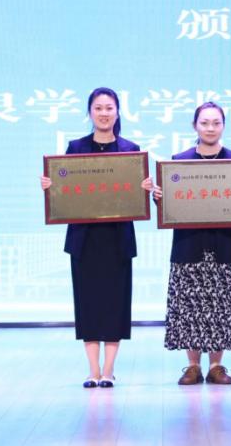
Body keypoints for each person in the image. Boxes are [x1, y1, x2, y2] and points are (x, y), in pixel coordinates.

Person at [40, 87, 153, 389]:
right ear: (90, 112)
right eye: (98, 108)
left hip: (118, 239)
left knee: (116, 304)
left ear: (118, 112)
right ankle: (92, 370)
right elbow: (64, 190)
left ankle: (109, 370)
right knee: (88, 304)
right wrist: (51, 187)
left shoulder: (130, 150)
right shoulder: (75, 147)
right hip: (85, 239)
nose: (104, 113)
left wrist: (144, 189)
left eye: (109, 108)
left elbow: (136, 196)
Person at [152, 102, 231, 386]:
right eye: (204, 123)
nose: (210, 128)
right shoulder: (178, 162)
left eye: (216, 123)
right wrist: (160, 197)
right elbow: (170, 206)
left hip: (223, 245)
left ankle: (216, 366)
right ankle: (192, 366)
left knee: (220, 306)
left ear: (223, 126)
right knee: (189, 306)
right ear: (195, 126)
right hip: (188, 245)